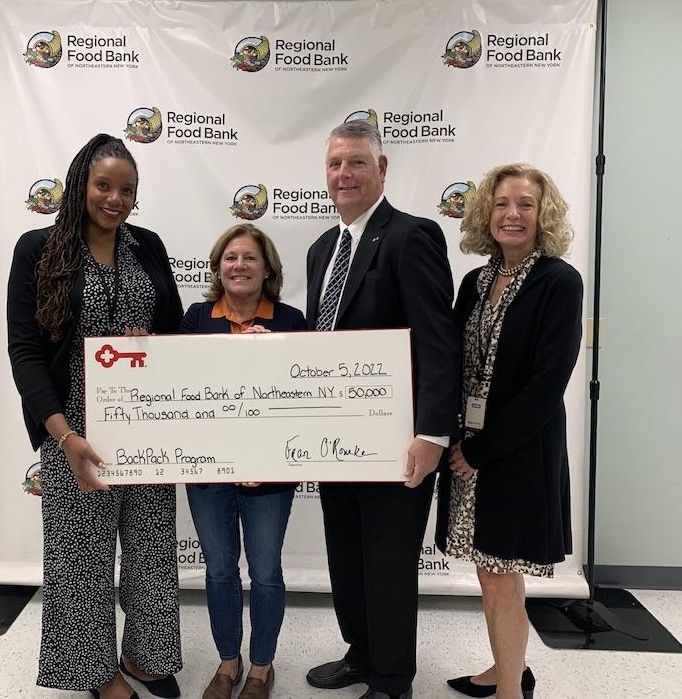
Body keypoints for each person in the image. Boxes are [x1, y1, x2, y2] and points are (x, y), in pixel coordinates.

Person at [7, 134, 183, 699]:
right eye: (104, 185)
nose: (116, 199)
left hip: (146, 422)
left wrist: (151, 343)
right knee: (80, 556)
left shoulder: (149, 246)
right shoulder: (38, 250)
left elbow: (175, 334)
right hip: (74, 428)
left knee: (152, 546)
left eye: (127, 189)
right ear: (80, 182)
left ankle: (147, 654)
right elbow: (26, 351)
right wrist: (63, 436)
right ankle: (96, 673)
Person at [304, 120, 460, 699]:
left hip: (399, 443)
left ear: (382, 169)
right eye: (334, 164)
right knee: (345, 555)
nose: (343, 174)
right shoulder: (323, 248)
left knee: (389, 561)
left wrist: (433, 434)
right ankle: (363, 653)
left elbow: (437, 340)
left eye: (356, 163)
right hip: (337, 440)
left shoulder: (411, 237)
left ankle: (393, 680)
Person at [436, 164, 583, 699]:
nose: (512, 214)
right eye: (501, 203)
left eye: (525, 203)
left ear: (544, 214)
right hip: (469, 446)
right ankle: (507, 668)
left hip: (515, 452)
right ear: (486, 213)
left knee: (500, 572)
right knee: (491, 570)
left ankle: (509, 691)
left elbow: (548, 383)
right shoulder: (475, 282)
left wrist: (481, 451)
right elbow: (450, 357)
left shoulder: (559, 282)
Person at [180, 223, 306, 699]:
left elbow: (304, 394)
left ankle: (261, 668)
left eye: (249, 257)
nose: (239, 266)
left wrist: (267, 354)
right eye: (230, 257)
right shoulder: (195, 318)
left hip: (269, 475)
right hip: (208, 472)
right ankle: (228, 662)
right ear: (217, 267)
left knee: (267, 571)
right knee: (218, 571)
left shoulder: (291, 320)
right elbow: (177, 387)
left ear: (267, 267)